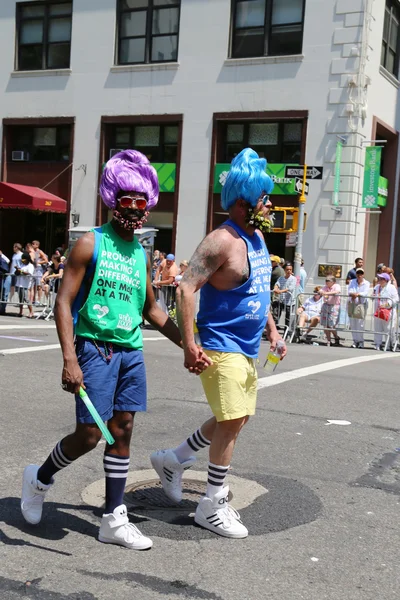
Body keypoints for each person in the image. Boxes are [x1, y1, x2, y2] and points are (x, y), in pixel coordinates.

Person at [20, 149, 211, 550]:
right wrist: (70, 360)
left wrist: (189, 345)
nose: (135, 208)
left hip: (130, 353)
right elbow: (63, 302)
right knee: (89, 435)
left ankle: (113, 517)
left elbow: (153, 310)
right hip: (93, 351)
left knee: (122, 431)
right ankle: (39, 478)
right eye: (127, 200)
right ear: (113, 199)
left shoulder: (141, 254)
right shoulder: (91, 243)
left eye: (142, 201)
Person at [150, 148, 286, 539]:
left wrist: (272, 331)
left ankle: (173, 460)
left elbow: (259, 290)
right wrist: (189, 344)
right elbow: (186, 288)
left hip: (246, 346)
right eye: (262, 198)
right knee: (230, 421)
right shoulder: (220, 241)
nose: (268, 204)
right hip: (219, 343)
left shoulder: (257, 237)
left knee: (237, 417)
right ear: (243, 201)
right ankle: (210, 504)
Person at [373, 272, 399, 351]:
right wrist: (373, 296)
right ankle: (378, 344)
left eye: (381, 279)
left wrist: (388, 304)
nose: (379, 280)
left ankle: (389, 344)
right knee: (378, 327)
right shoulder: (377, 287)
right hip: (378, 310)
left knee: (388, 328)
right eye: (379, 278)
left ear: (386, 280)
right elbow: (373, 295)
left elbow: (396, 299)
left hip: (388, 311)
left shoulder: (391, 287)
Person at [347, 268, 370, 349]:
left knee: (360, 324)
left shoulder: (366, 283)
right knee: (353, 323)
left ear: (363, 274)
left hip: (361, 304)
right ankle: (355, 341)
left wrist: (357, 294)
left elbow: (365, 292)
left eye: (361, 273)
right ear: (356, 274)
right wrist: (354, 294)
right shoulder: (352, 281)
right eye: (358, 273)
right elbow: (350, 290)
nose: (359, 275)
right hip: (352, 303)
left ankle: (360, 341)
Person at [274, 262, 297, 335]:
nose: (289, 271)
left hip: (289, 301)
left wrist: (280, 291)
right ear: (284, 270)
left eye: (290, 269)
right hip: (281, 300)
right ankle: (275, 331)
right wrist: (275, 288)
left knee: (287, 318)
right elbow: (277, 284)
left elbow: (290, 288)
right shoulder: (281, 278)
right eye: (287, 269)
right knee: (277, 315)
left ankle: (286, 333)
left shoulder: (293, 279)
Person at [320, 275, 341, 346]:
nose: (327, 282)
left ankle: (336, 337)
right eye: (326, 281)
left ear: (333, 282)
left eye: (328, 281)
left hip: (334, 306)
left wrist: (326, 293)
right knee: (325, 325)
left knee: (331, 325)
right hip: (326, 305)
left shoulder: (337, 286)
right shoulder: (325, 287)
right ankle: (328, 340)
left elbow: (337, 292)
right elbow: (320, 291)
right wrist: (322, 292)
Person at [15, 252, 35, 318]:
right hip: (19, 284)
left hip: (25, 284)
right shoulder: (22, 265)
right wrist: (17, 270)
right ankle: (20, 312)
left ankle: (31, 312)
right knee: (20, 299)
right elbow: (17, 273)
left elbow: (29, 273)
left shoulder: (30, 265)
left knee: (26, 299)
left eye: (24, 260)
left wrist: (21, 271)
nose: (23, 261)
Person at [32, 240, 48, 305]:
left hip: (39, 269)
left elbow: (46, 260)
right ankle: (33, 300)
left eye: (34, 244)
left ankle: (38, 300)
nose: (32, 245)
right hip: (33, 269)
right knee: (33, 285)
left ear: (37, 245)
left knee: (39, 285)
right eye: (32, 244)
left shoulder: (39, 251)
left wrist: (38, 262)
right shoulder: (32, 251)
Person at [270, 255, 284, 324]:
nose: (270, 262)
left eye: (272, 261)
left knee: (274, 308)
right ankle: (275, 323)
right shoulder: (280, 269)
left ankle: (274, 323)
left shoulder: (276, 271)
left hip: (275, 292)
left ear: (276, 262)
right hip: (276, 292)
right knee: (276, 308)